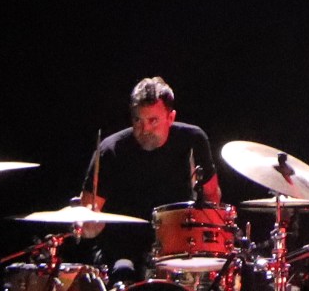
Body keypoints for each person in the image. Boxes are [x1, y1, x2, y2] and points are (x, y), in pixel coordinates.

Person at [80, 76, 223, 280]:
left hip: (176, 244)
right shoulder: (110, 150)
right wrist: (88, 226)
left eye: (153, 120)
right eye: (138, 120)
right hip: (123, 247)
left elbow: (211, 195)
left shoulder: (193, 140)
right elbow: (88, 212)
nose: (145, 129)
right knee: (123, 272)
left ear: (171, 118)